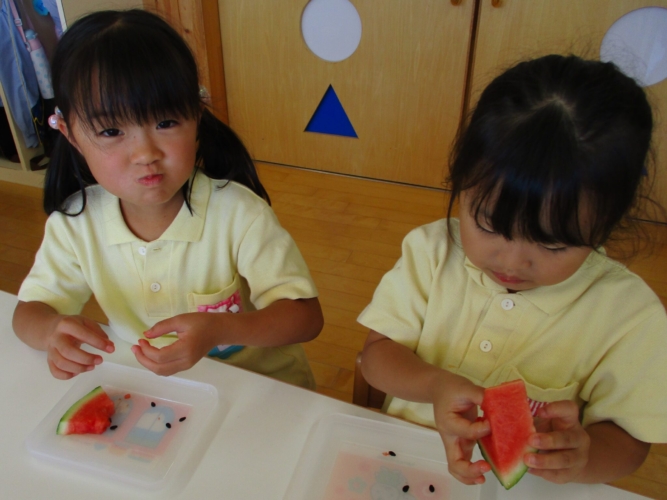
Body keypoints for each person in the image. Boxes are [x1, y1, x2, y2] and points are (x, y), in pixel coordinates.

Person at [357, 55, 667, 486]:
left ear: (606, 223)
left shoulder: (630, 316)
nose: (512, 261)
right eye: (488, 224)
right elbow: (375, 358)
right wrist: (433, 384)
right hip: (406, 464)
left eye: (552, 243)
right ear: (459, 181)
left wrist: (585, 456)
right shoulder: (430, 252)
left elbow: (630, 444)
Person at [12, 9, 323, 389]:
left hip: (262, 389)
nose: (145, 153)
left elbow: (305, 317)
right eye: (111, 130)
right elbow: (29, 312)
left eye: (165, 123)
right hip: (163, 393)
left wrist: (220, 328)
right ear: (70, 134)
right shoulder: (75, 226)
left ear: (196, 115)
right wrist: (51, 332)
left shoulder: (239, 214)